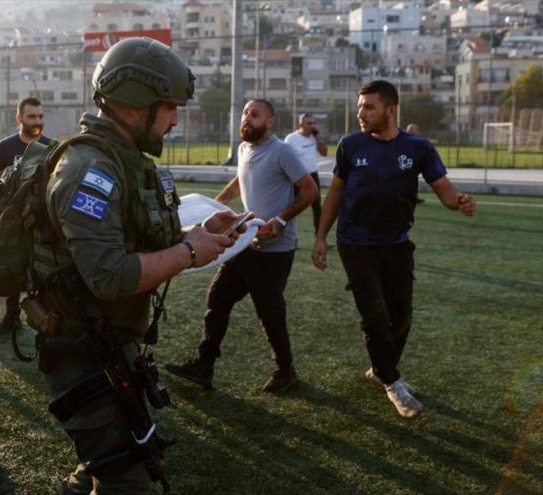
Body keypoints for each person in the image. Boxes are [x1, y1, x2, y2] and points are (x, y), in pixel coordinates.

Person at [37, 37, 236, 495]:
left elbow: (136, 247)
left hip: (108, 341)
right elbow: (109, 276)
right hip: (81, 350)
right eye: (168, 107)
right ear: (134, 103)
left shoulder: (123, 163)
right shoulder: (90, 170)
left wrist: (198, 235)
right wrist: (188, 254)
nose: (174, 119)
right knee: (124, 478)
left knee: (104, 464)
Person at [311, 80, 476, 418]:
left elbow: (444, 190)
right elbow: (335, 194)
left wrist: (460, 201)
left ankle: (381, 368)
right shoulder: (350, 145)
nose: (361, 113)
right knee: (375, 314)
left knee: (401, 317)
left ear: (390, 109)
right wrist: (320, 236)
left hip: (397, 244)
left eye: (368, 107)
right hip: (355, 243)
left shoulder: (418, 148)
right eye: (359, 107)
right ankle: (392, 382)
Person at [165, 100, 319, 394]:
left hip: (275, 250)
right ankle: (204, 366)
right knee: (218, 299)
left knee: (269, 312)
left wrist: (280, 221)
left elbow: (309, 190)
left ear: (270, 122)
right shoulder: (244, 149)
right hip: (245, 243)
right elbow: (239, 182)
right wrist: (213, 207)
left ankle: (285, 371)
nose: (247, 118)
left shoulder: (281, 151)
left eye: (255, 114)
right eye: (246, 113)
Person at [0, 97, 52, 333]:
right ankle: (11, 317)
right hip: (12, 222)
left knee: (43, 270)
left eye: (40, 116)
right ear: (19, 118)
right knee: (12, 267)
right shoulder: (5, 147)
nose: (37, 121)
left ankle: (45, 320)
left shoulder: (50, 147)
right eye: (32, 116)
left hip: (40, 221)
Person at [284, 112, 327, 232]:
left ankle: (320, 238)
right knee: (292, 208)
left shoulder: (314, 138)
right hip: (297, 177)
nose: (312, 126)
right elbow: (286, 159)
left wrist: (318, 138)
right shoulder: (291, 139)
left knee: (317, 208)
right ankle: (290, 237)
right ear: (300, 124)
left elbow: (324, 153)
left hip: (313, 176)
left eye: (313, 123)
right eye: (309, 123)